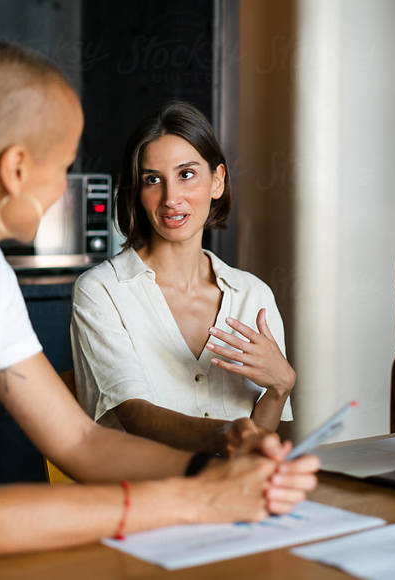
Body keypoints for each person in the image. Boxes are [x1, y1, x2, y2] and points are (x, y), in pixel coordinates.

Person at [0, 41, 318, 563]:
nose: (63, 192)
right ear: (17, 169)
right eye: (64, 164)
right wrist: (198, 498)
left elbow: (81, 445)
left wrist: (217, 469)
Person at [71, 102, 295, 457]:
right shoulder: (102, 291)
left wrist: (280, 388)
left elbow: (252, 449)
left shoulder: (253, 295)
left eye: (186, 174)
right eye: (152, 180)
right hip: (140, 499)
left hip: (228, 496)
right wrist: (225, 435)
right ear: (138, 192)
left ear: (217, 181)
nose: (171, 198)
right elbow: (135, 416)